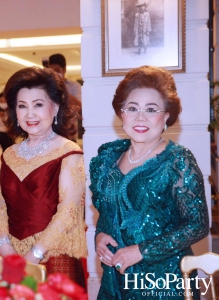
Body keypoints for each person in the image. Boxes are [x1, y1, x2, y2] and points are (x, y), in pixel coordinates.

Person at [90, 66, 209, 299]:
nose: (140, 117)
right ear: (121, 113)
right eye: (132, 108)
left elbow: (197, 225)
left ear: (166, 116)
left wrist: (142, 251)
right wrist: (101, 236)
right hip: (114, 281)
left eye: (151, 109)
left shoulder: (177, 161)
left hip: (164, 282)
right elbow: (106, 212)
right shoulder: (107, 158)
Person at [0, 67, 88, 288]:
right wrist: (4, 246)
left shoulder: (69, 152)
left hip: (55, 258)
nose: (30, 114)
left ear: (55, 107)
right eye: (22, 106)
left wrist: (35, 254)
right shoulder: (9, 154)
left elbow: (69, 211)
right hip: (13, 258)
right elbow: (0, 205)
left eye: (38, 105)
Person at [48, 53, 83, 140]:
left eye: (57, 70)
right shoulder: (46, 87)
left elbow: (78, 106)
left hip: (69, 134)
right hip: (49, 134)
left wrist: (62, 87)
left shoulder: (74, 86)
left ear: (64, 70)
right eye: (51, 70)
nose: (54, 73)